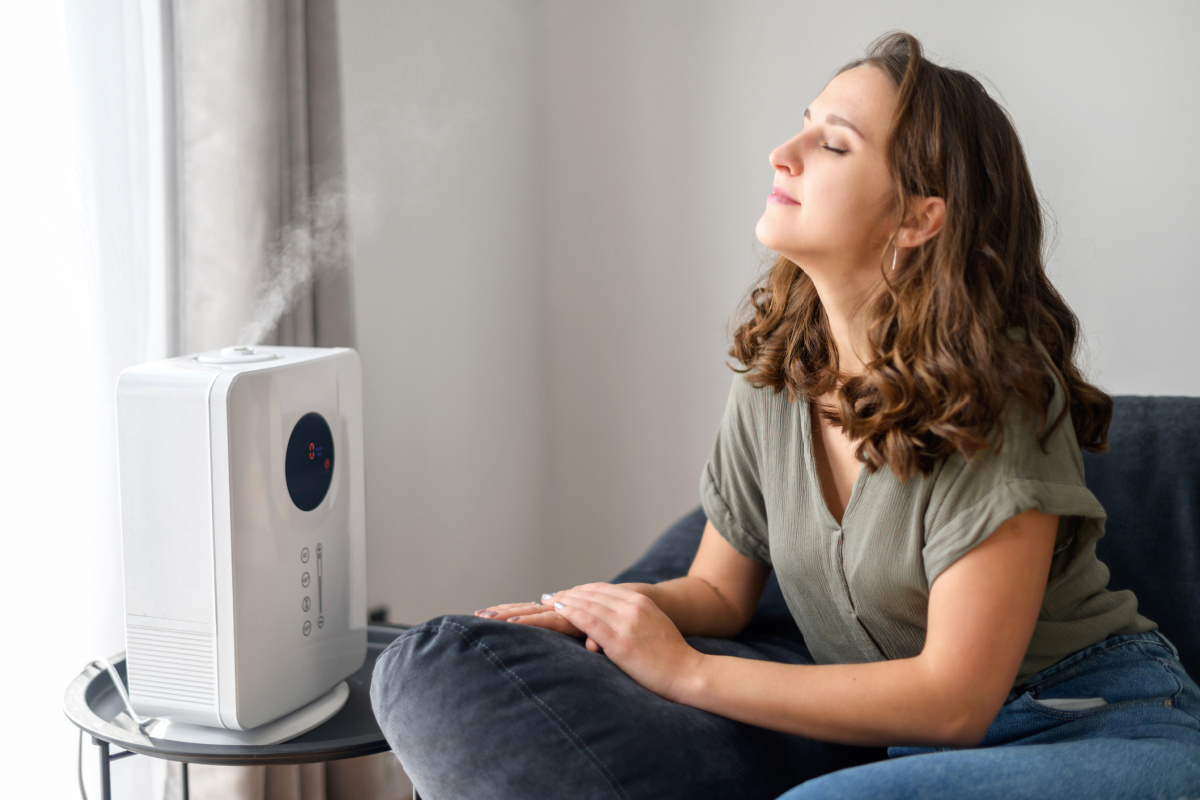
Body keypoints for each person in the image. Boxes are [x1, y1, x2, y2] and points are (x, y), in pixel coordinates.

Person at [371, 31, 1200, 799]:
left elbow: (954, 700)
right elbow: (717, 591)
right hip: (932, 757)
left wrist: (685, 672)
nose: (783, 154)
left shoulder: (995, 399)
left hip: (1095, 721)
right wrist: (605, 610)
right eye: (803, 126)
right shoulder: (778, 379)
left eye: (833, 145)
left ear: (919, 217)